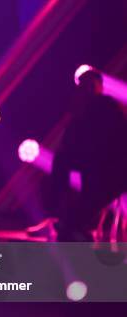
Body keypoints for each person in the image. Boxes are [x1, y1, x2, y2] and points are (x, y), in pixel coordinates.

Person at [49, 68, 127, 241]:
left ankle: (70, 225)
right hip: (98, 168)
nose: (88, 89)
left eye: (91, 84)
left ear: (98, 86)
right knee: (87, 202)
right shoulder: (80, 114)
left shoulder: (104, 106)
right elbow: (68, 149)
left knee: (88, 202)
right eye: (85, 85)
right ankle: (70, 225)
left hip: (109, 167)